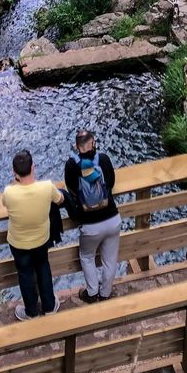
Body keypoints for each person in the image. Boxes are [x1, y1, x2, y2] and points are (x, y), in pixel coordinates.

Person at [2, 149, 64, 321]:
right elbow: (60, 200)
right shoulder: (46, 187)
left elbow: (5, 205)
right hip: (41, 239)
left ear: (14, 173)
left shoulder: (9, 192)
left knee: (25, 274)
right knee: (43, 268)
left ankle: (31, 311)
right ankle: (49, 306)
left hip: (18, 242)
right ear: (33, 167)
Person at [64, 130, 120, 304]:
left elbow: (72, 190)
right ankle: (105, 293)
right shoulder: (103, 159)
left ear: (77, 146)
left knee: (87, 257)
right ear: (93, 142)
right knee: (109, 260)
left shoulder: (71, 165)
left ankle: (92, 292)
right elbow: (110, 183)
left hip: (90, 225)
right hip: (112, 218)